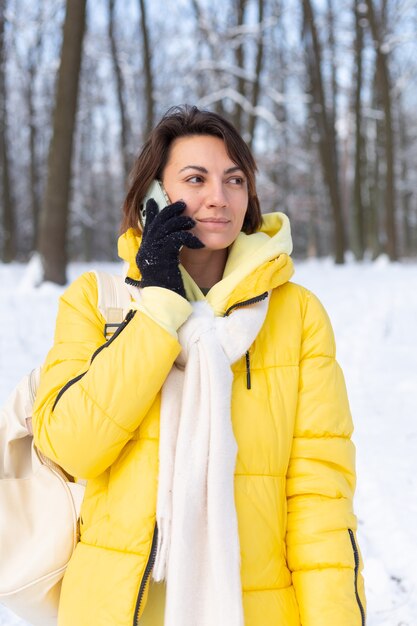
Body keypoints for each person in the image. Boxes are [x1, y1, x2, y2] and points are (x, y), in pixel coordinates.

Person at [33, 104, 366, 626]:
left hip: (255, 608)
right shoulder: (97, 303)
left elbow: (319, 497)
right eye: (196, 178)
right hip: (118, 608)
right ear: (153, 197)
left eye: (235, 179)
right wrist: (159, 309)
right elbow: (72, 448)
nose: (219, 197)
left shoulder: (295, 315)